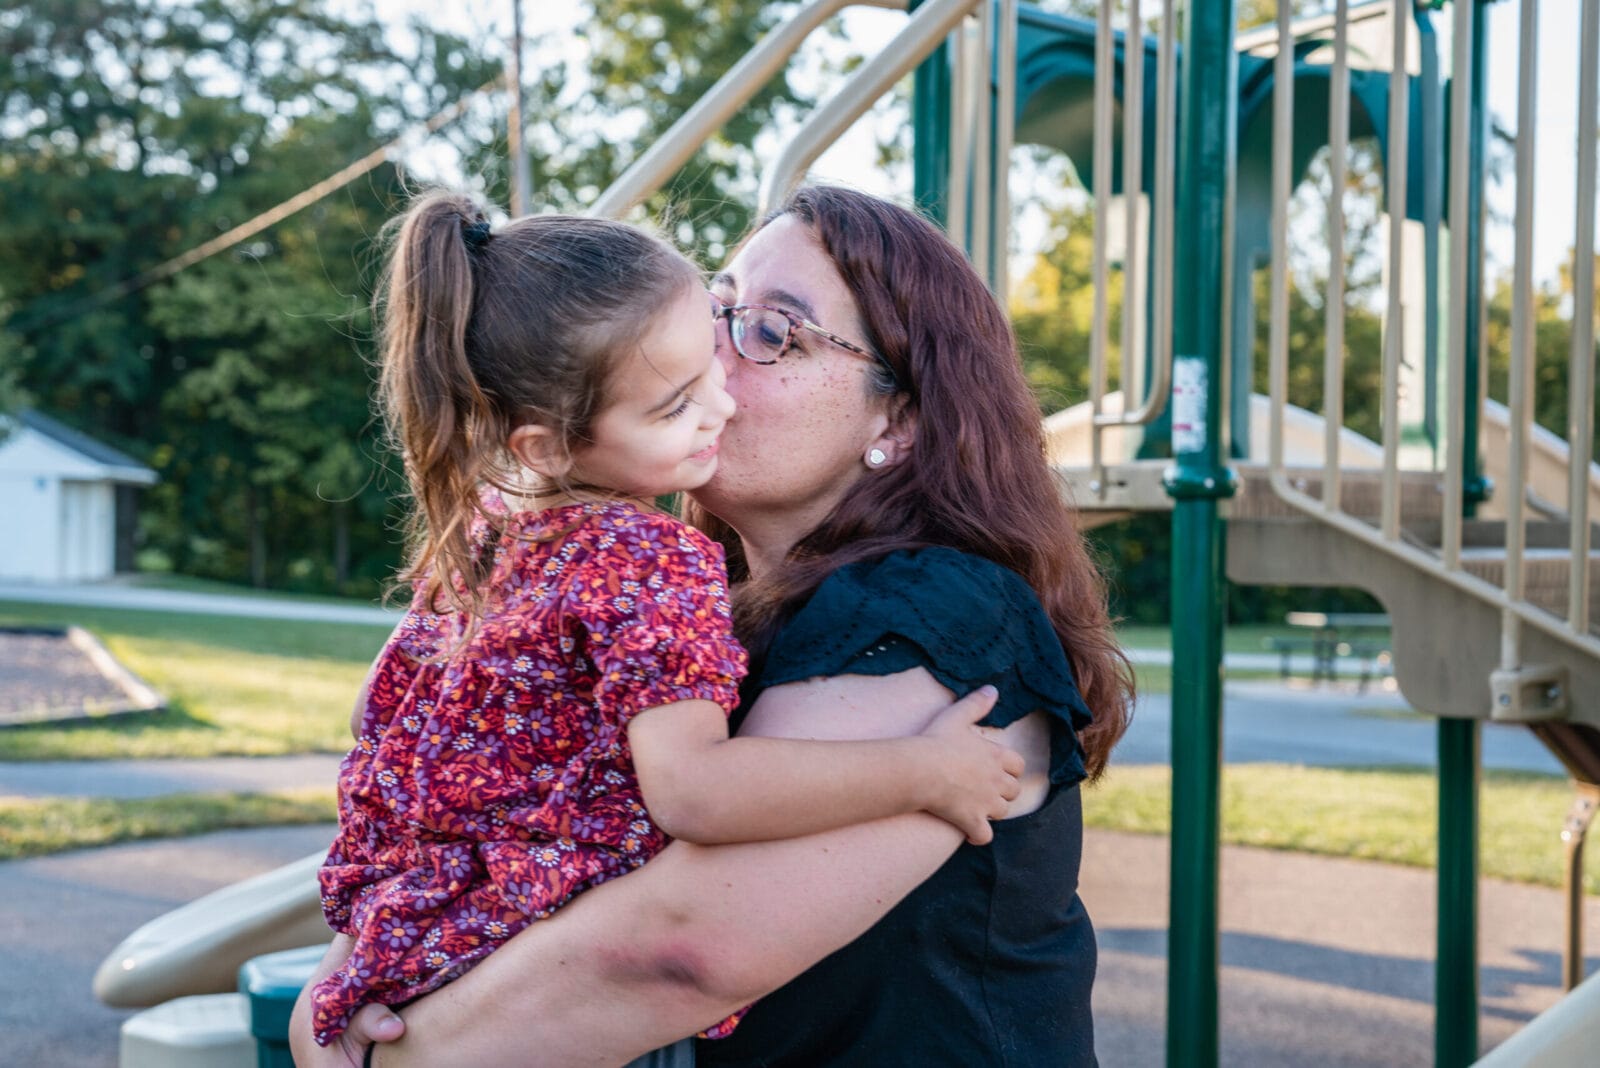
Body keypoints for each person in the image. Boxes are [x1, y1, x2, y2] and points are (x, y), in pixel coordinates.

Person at [290, 185, 1133, 1067]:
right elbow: (432, 792)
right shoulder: (664, 595)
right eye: (716, 309)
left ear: (901, 417)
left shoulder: (939, 610)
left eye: (774, 332)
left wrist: (383, 1054)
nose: (704, 359)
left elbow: (679, 951)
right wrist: (337, 992)